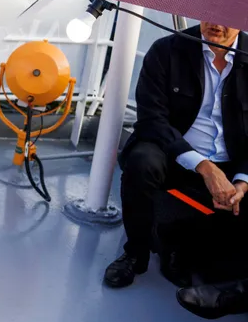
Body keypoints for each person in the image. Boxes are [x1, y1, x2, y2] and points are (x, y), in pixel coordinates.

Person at [104, 23, 248, 289]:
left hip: (233, 163)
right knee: (141, 163)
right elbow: (151, 119)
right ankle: (136, 254)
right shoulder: (166, 50)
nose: (215, 24)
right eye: (209, 13)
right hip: (173, 153)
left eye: (226, 17)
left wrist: (243, 180)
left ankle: (182, 250)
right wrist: (205, 167)